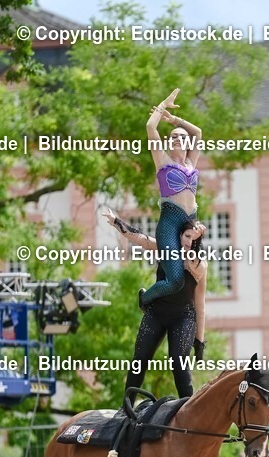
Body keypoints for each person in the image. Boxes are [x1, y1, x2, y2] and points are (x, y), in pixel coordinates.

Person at [104, 207, 207, 398]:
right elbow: (141, 239)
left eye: (193, 238)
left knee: (179, 364)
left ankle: (187, 410)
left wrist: (199, 341)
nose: (188, 241)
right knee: (139, 360)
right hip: (157, 313)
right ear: (179, 235)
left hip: (183, 317)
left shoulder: (199, 263)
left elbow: (200, 305)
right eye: (186, 236)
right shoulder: (166, 249)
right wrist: (117, 222)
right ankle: (126, 408)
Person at [139, 87, 202, 308]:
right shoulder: (163, 161)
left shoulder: (191, 162)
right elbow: (150, 126)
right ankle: (145, 297)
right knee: (175, 280)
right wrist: (163, 106)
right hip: (170, 220)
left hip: (190, 221)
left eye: (180, 138)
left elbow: (198, 133)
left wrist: (175, 120)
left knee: (193, 274)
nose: (176, 139)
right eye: (173, 137)